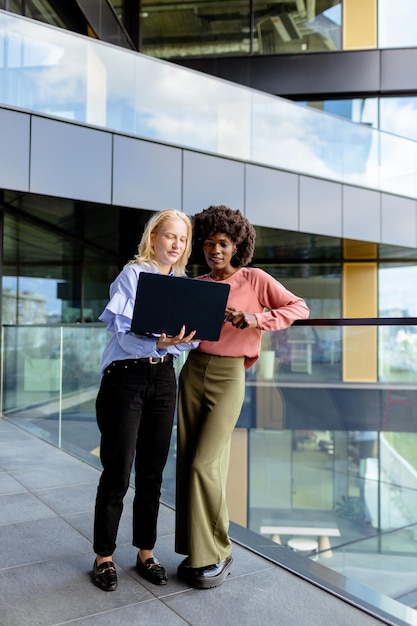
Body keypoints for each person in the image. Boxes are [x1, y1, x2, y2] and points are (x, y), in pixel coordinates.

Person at [175, 205, 310, 589]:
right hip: (193, 370)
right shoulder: (198, 283)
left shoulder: (254, 279)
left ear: (237, 246)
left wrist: (256, 320)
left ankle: (220, 550)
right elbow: (185, 330)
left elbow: (298, 306)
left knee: (205, 464)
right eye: (208, 243)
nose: (214, 250)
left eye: (223, 243)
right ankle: (196, 550)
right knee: (188, 460)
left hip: (230, 375)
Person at [92, 209, 198, 592]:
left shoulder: (184, 283)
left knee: (152, 471)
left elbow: (195, 338)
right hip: (127, 377)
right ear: (153, 237)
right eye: (170, 236)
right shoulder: (133, 274)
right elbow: (122, 333)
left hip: (164, 377)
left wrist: (183, 338)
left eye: (182, 239)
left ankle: (145, 552)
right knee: (118, 469)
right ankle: (104, 556)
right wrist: (160, 341)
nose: (176, 244)